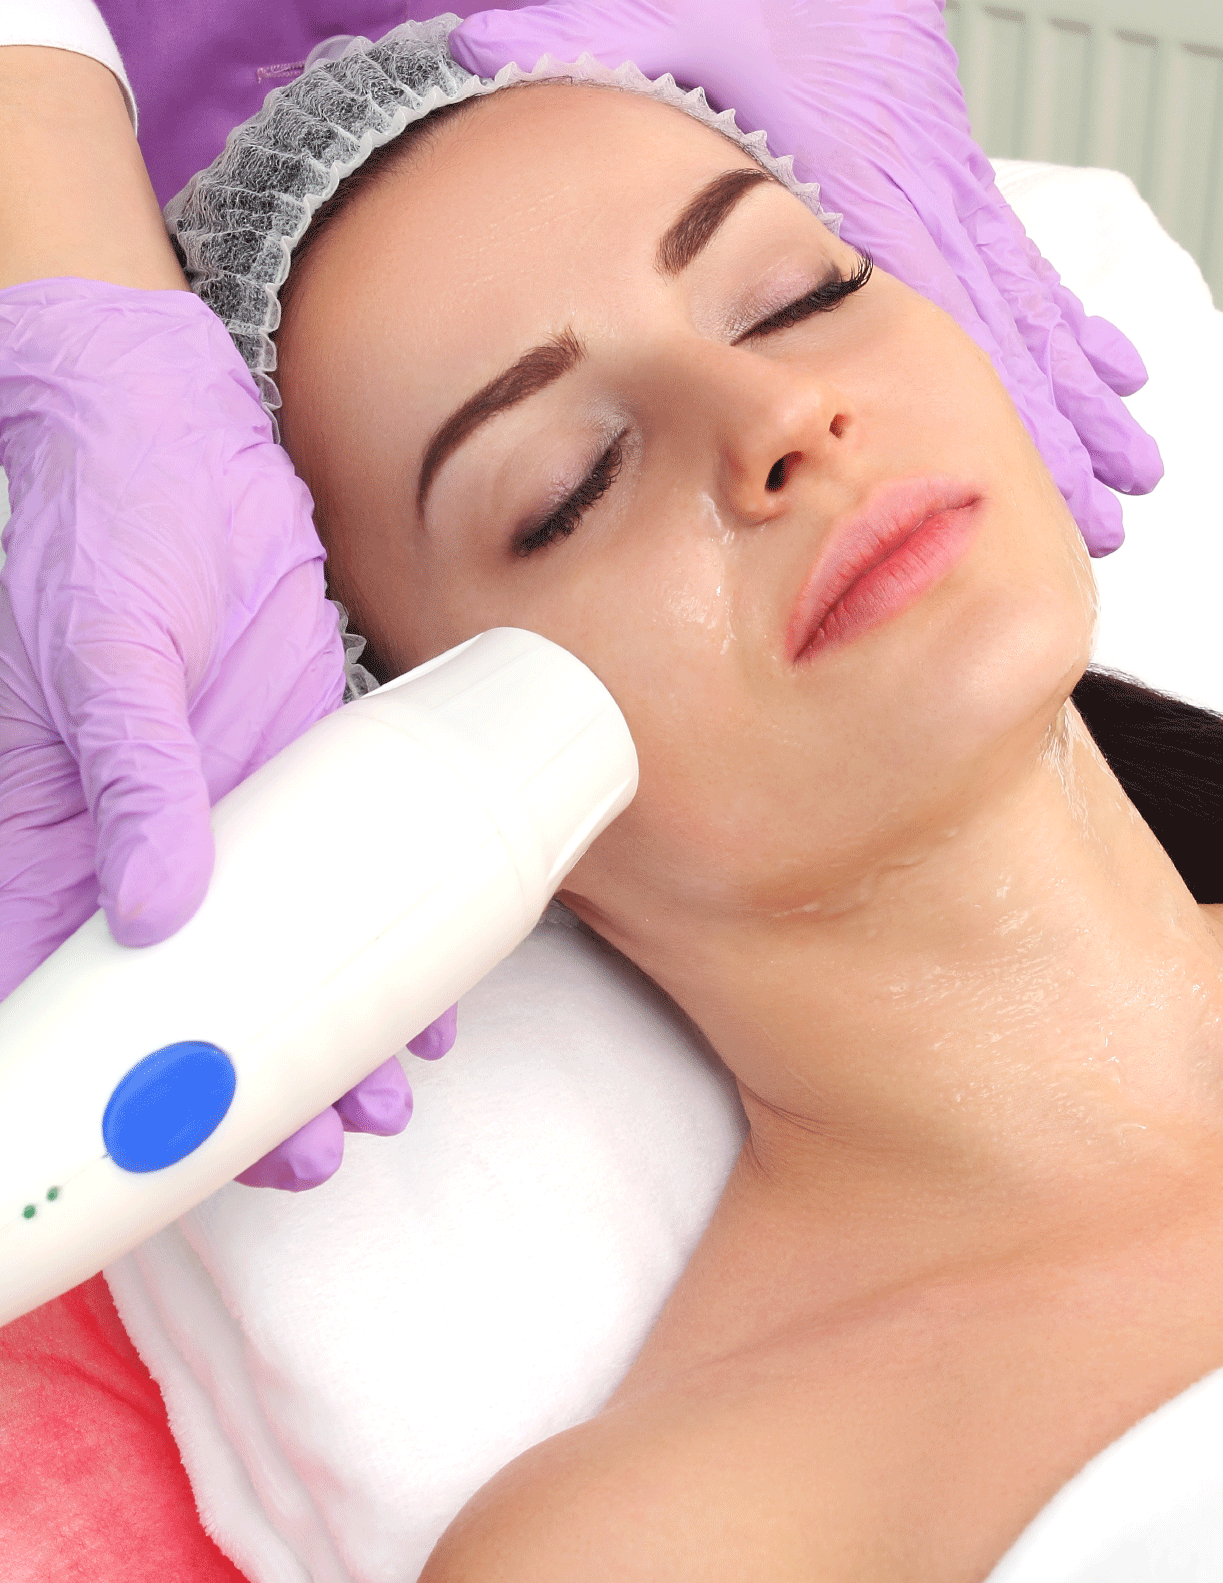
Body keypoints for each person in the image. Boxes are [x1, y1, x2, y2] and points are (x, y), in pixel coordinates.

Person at [230, 62, 1223, 1581]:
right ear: (418, 747)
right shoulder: (670, 1538)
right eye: (570, 488)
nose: (777, 415)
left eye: (792, 296)